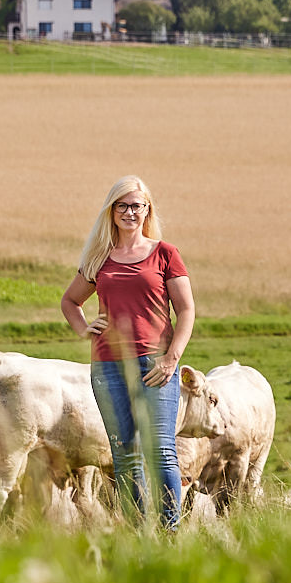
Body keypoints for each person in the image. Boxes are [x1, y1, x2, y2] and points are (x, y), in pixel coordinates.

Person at [60, 175, 196, 528]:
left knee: (161, 451)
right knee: (124, 454)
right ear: (112, 211)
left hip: (154, 365)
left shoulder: (165, 253)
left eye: (137, 205)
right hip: (107, 368)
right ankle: (139, 534)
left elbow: (187, 310)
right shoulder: (99, 258)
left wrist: (172, 359)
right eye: (122, 205)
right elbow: (70, 301)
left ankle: (169, 532)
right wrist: (83, 328)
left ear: (147, 209)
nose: (130, 211)